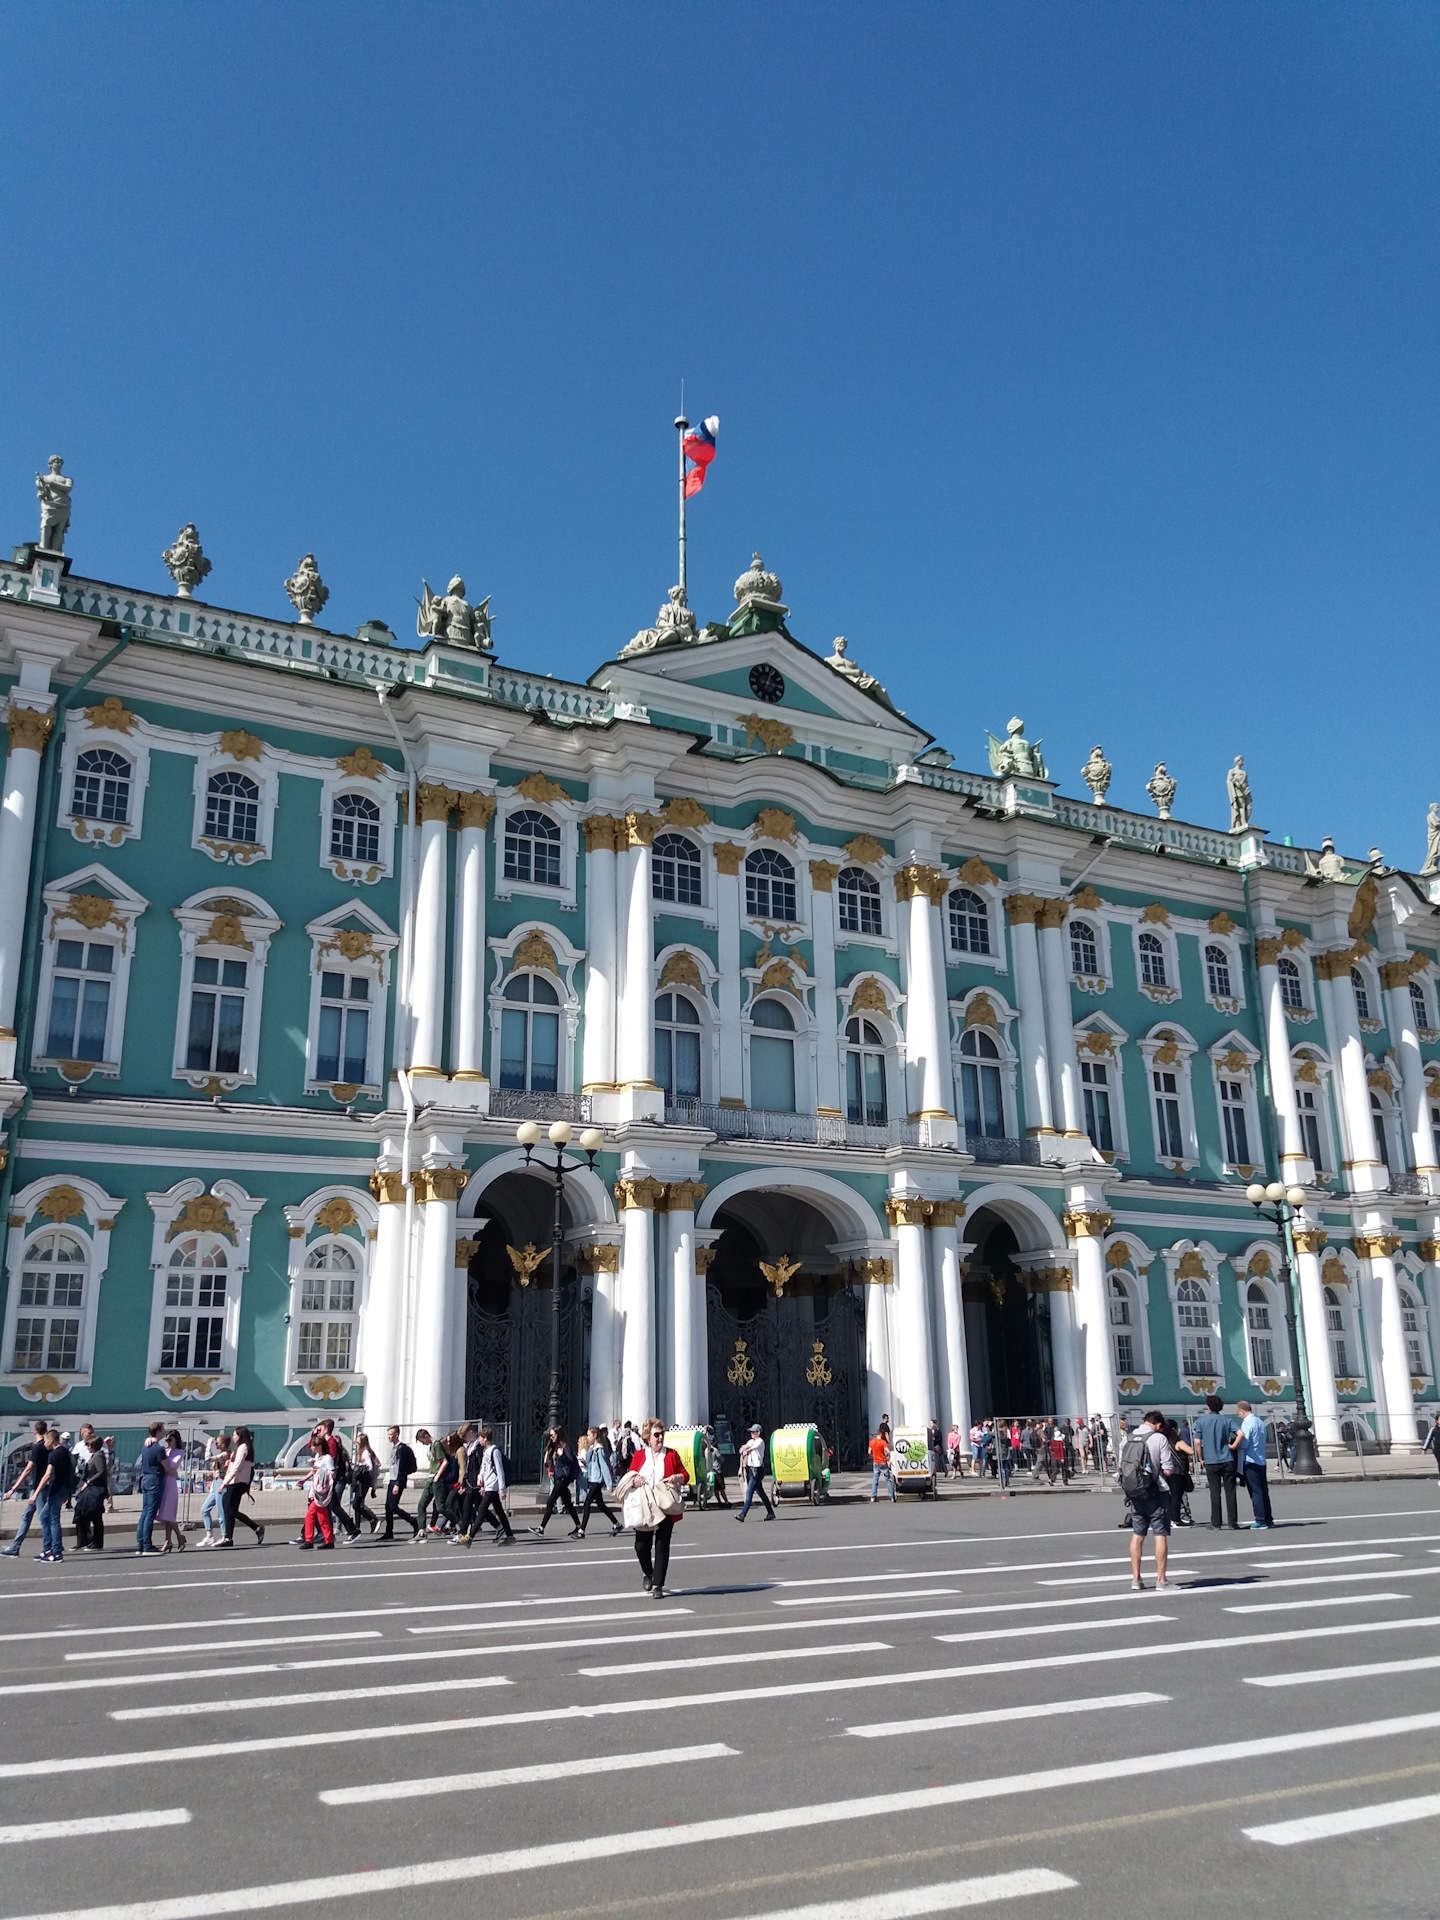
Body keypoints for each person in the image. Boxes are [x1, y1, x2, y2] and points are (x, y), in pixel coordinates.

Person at [618, 1418, 686, 1599]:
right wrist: (635, 1481)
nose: (660, 1438)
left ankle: (658, 1585)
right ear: (648, 1438)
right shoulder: (640, 1456)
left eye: (662, 1434)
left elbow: (685, 1475)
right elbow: (630, 1476)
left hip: (665, 1506)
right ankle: (647, 1572)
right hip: (645, 1505)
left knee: (662, 1545)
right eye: (656, 1435)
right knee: (641, 1546)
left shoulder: (671, 1454)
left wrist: (678, 1477)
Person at [1120, 1411, 1177, 1591]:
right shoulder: (1158, 1438)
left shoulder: (1127, 1438)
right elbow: (1167, 1469)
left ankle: (1136, 1579)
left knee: (1138, 1534)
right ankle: (1161, 1580)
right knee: (1160, 1534)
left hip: (1134, 1492)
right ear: (1158, 1425)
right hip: (1155, 1491)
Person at [2, 1420, 50, 1557]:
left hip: (38, 1488)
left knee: (42, 1518)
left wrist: (13, 1488)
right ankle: (16, 1546)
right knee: (30, 1516)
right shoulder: (48, 1446)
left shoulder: (37, 1447)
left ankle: (48, 1547)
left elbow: (28, 1469)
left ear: (34, 1432)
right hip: (44, 1486)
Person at [1195, 1395, 1241, 1530]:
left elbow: (1198, 1441)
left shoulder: (1201, 1422)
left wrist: (1200, 1458)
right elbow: (1240, 1433)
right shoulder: (1226, 1420)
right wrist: (1233, 1446)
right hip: (1227, 1458)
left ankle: (1216, 1523)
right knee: (1230, 1491)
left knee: (1214, 1492)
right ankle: (1232, 1522)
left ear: (1208, 1407)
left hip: (1210, 1460)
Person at [216, 1427, 265, 1548]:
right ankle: (228, 1537)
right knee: (230, 1510)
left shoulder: (243, 1448)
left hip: (237, 1482)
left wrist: (224, 1483)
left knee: (230, 1510)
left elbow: (237, 1467)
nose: (233, 1437)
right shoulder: (239, 1448)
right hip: (235, 1481)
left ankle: (256, 1528)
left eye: (234, 1435)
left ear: (240, 1435)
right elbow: (234, 1465)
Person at [32, 1428, 74, 1562]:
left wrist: (35, 1494)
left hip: (56, 1490)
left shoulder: (54, 1454)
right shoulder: (65, 1452)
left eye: (45, 1441)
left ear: (51, 1439)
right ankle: (48, 1549)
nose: (44, 1443)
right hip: (63, 1489)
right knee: (44, 1516)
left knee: (53, 1520)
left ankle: (56, 1553)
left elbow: (47, 1475)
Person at [534, 1426, 582, 1535]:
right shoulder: (556, 1446)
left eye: (553, 1435)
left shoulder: (565, 1447)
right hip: (558, 1477)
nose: (551, 1437)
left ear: (558, 1435)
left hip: (564, 1478)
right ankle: (579, 1526)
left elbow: (570, 1461)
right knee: (568, 1503)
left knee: (551, 1501)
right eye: (550, 1435)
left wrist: (562, 1456)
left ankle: (541, 1528)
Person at [471, 1426, 514, 1545]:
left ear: (485, 1438)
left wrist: (501, 1489)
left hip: (493, 1486)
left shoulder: (495, 1451)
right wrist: (480, 1477)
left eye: (480, 1438)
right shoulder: (486, 1451)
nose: (479, 1440)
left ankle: (470, 1537)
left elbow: (499, 1471)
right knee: (499, 1511)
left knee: (482, 1509)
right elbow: (484, 1468)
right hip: (488, 1484)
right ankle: (509, 1535)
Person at [1235, 1400, 1275, 1529]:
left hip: (1250, 1460)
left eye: (1238, 1413)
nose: (1238, 1416)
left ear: (1242, 1411)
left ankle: (1260, 1520)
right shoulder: (1259, 1421)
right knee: (1263, 1491)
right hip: (1261, 1460)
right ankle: (1268, 1519)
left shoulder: (1247, 1423)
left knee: (1255, 1492)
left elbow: (1244, 1443)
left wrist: (1235, 1445)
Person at [577, 1428, 622, 1537]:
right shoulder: (592, 1449)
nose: (587, 1438)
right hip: (593, 1479)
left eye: (589, 1435)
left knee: (587, 1502)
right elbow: (591, 1465)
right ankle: (617, 1524)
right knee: (601, 1505)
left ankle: (581, 1530)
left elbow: (605, 1468)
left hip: (598, 1480)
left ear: (595, 1436)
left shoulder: (599, 1450)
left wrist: (609, 1485)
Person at [135, 1420, 168, 1556]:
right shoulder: (158, 1449)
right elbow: (167, 1467)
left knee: (145, 1512)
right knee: (150, 1513)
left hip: (146, 1479)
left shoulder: (146, 1446)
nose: (164, 1432)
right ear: (159, 1431)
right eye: (163, 1429)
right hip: (155, 1480)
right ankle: (147, 1545)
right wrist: (174, 1472)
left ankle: (140, 1544)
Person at [382, 1426, 419, 1540]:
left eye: (391, 1434)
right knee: (388, 1506)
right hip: (392, 1480)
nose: (389, 1437)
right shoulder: (393, 1448)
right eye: (388, 1434)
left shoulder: (402, 1449)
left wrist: (398, 1483)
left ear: (396, 1434)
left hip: (399, 1480)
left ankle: (413, 1521)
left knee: (393, 1506)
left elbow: (402, 1467)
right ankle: (389, 1532)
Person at [298, 1438, 336, 1548]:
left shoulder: (327, 1458)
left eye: (314, 1445)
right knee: (322, 1516)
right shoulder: (317, 1458)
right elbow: (314, 1471)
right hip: (316, 1489)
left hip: (322, 1490)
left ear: (320, 1446)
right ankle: (329, 1540)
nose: (312, 1448)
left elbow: (332, 1473)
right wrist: (304, 1479)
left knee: (310, 1515)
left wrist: (319, 1469)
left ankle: (309, 1540)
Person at [73, 1438, 109, 1551]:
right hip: (91, 1489)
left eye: (89, 1445)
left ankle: (97, 1542)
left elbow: (101, 1472)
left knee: (95, 1515)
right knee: (81, 1512)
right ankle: (84, 1539)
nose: (87, 1447)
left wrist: (88, 1481)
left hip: (96, 1489)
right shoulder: (94, 1455)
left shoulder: (98, 1456)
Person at [156, 1428, 188, 1553]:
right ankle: (168, 1540)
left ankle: (179, 1537)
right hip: (163, 1482)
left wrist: (164, 1460)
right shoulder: (166, 1451)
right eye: (167, 1439)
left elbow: (171, 1465)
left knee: (168, 1514)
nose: (168, 1442)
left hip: (170, 1484)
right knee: (165, 1515)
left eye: (170, 1440)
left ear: (176, 1440)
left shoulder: (179, 1452)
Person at [736, 1423, 775, 1521]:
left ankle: (743, 1514)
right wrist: (742, 1449)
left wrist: (746, 1451)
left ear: (759, 1432)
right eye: (751, 1432)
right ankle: (770, 1513)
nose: (752, 1433)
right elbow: (745, 1446)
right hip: (751, 1469)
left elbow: (752, 1448)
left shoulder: (760, 1441)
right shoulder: (751, 1441)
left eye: (754, 1432)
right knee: (761, 1493)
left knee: (749, 1492)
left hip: (757, 1471)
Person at [198, 1432, 231, 1544]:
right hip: (215, 1482)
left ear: (223, 1444)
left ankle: (224, 1535)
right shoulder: (222, 1454)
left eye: (217, 1442)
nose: (215, 1444)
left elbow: (208, 1458)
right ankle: (209, 1535)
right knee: (204, 1509)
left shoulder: (225, 1454)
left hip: (221, 1482)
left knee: (220, 1511)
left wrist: (208, 1444)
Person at [411, 1430, 445, 1537]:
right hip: (430, 1479)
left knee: (441, 1507)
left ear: (426, 1436)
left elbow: (444, 1462)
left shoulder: (437, 1445)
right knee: (422, 1504)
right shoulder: (431, 1447)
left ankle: (461, 1524)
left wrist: (438, 1475)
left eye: (422, 1441)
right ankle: (422, 1529)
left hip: (436, 1479)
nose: (423, 1443)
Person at [1163, 1419, 1194, 1528]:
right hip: (1177, 1472)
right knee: (1177, 1497)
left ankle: (1171, 1518)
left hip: (1166, 1471)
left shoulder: (1163, 1441)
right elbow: (1191, 1451)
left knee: (1170, 1496)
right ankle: (1176, 1519)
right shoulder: (1177, 1442)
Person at [351, 1431, 381, 1536]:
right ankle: (363, 1523)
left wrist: (359, 1468)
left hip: (363, 1481)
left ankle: (373, 1519)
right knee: (356, 1504)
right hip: (359, 1481)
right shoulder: (360, 1451)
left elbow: (370, 1466)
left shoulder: (366, 1452)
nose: (356, 1442)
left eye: (358, 1441)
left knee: (357, 1504)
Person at [868, 1425, 895, 1503]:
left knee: (875, 1480)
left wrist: (874, 1454)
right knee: (888, 1480)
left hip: (875, 1462)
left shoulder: (872, 1442)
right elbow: (888, 1451)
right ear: (881, 1434)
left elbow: (869, 1452)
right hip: (883, 1462)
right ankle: (891, 1496)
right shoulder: (883, 1442)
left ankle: (873, 1496)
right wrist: (888, 1458)